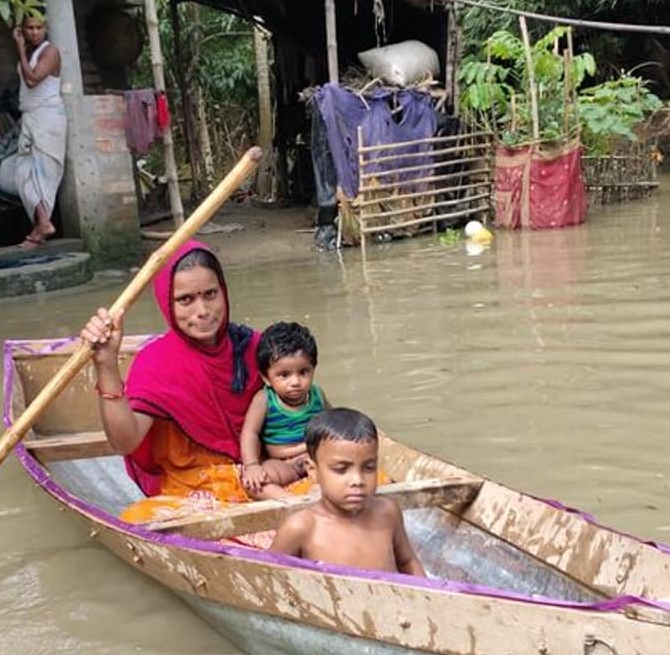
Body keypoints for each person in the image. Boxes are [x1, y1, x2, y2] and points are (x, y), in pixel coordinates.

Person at [80, 241, 305, 523]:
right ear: (167, 303)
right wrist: (106, 364)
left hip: (265, 475)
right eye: (185, 300)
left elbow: (302, 407)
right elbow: (125, 442)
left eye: (210, 294)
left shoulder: (256, 347)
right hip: (193, 493)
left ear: (223, 291)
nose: (202, 310)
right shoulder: (156, 362)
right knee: (137, 517)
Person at [269, 408, 425, 577]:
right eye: (341, 470)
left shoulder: (388, 512)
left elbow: (407, 561)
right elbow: (269, 579)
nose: (358, 480)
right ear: (313, 471)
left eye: (369, 468)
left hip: (392, 602)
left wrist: (429, 599)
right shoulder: (301, 527)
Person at [0, 14, 66, 248]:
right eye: (29, 28)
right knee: (22, 171)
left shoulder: (51, 52)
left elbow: (32, 80)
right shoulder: (31, 52)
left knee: (44, 174)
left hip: (49, 118)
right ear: (22, 29)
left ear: (46, 28)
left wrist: (19, 47)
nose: (34, 32)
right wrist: (23, 49)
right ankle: (43, 222)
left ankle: (42, 226)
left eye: (39, 27)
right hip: (31, 116)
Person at [238, 322, 329, 500]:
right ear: (267, 378)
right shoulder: (265, 399)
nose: (295, 382)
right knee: (253, 483)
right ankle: (290, 501)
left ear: (313, 369)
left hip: (316, 455)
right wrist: (252, 465)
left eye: (303, 372)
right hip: (284, 463)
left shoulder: (317, 394)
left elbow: (331, 422)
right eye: (284, 375)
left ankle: (322, 489)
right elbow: (250, 433)